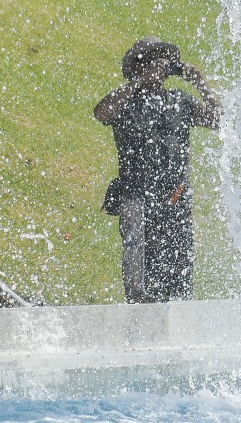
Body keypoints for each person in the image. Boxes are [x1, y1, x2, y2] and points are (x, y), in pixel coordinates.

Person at [94, 37, 220, 303]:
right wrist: (139, 83)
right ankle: (140, 315)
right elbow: (102, 113)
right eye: (154, 62)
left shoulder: (180, 101)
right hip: (136, 197)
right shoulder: (126, 100)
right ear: (140, 68)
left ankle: (179, 320)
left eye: (165, 62)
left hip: (175, 197)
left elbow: (219, 120)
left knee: (180, 268)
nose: (162, 68)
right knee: (139, 269)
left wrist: (201, 83)